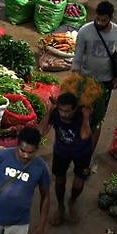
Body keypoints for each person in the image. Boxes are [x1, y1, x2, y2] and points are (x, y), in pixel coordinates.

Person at [71, 0, 117, 151]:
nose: (100, 22)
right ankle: (77, 145)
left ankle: (89, 151)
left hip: (106, 82)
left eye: (104, 20)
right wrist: (75, 75)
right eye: (98, 19)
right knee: (81, 113)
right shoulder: (85, 31)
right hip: (86, 79)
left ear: (110, 18)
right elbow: (78, 55)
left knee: (97, 119)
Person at [39, 93, 93, 226]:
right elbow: (41, 131)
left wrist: (86, 117)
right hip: (61, 152)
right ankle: (61, 206)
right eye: (61, 110)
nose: (63, 114)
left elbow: (85, 136)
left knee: (78, 183)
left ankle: (72, 201)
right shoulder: (55, 114)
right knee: (59, 180)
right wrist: (50, 111)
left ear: (75, 109)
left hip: (82, 153)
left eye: (67, 111)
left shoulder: (82, 116)